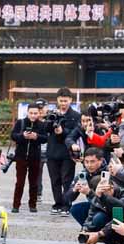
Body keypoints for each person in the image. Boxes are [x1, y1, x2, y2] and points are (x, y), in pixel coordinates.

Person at [46, 87, 81, 216]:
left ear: (70, 100)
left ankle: (67, 204)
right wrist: (51, 121)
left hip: (68, 153)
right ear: (57, 100)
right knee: (54, 180)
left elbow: (75, 133)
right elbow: (46, 129)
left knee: (67, 180)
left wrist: (63, 131)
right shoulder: (52, 113)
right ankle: (57, 203)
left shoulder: (76, 116)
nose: (63, 103)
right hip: (52, 152)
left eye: (65, 101)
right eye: (61, 101)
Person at [10, 103, 47, 213]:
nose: (33, 115)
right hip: (21, 156)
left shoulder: (41, 125)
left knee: (34, 182)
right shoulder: (20, 122)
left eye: (35, 113)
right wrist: (23, 136)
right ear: (27, 112)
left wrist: (36, 137)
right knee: (20, 182)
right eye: (31, 113)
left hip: (35, 157)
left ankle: (33, 205)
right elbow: (13, 135)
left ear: (39, 113)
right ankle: (16, 205)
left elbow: (45, 138)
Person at [66, 147, 107, 226]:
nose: (89, 165)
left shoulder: (108, 172)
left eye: (92, 162)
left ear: (101, 161)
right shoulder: (83, 174)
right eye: (86, 162)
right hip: (93, 205)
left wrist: (89, 192)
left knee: (98, 217)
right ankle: (88, 229)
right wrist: (74, 190)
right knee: (76, 209)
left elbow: (107, 201)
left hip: (107, 208)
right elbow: (68, 198)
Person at [35, 98, 49, 199]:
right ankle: (37, 193)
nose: (40, 111)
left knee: (55, 175)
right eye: (38, 109)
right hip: (37, 150)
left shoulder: (51, 119)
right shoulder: (32, 121)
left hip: (50, 151)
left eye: (42, 108)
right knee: (37, 173)